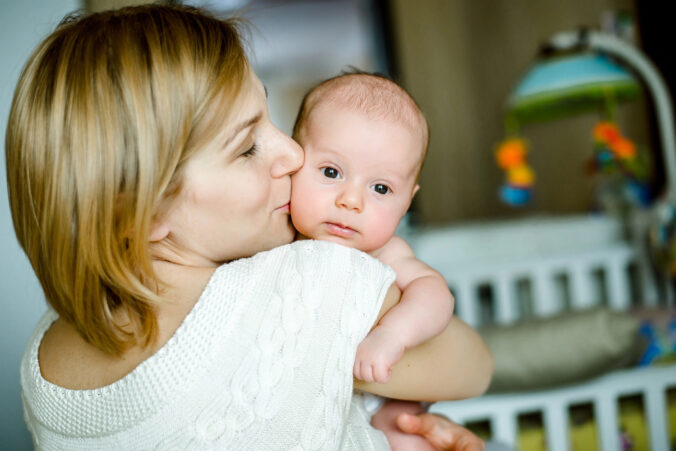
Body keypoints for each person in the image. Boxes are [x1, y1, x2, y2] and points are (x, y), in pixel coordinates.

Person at [6, 4, 492, 450]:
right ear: (147, 212)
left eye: (270, 120)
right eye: (246, 148)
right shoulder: (312, 283)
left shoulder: (42, 361)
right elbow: (473, 367)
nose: (293, 154)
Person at [290, 73, 456, 450]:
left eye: (381, 188)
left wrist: (393, 335)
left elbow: (435, 294)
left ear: (407, 200)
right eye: (331, 172)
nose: (351, 201)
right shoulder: (279, 240)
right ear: (293, 160)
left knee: (404, 428)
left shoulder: (386, 252)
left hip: (382, 392)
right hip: (305, 406)